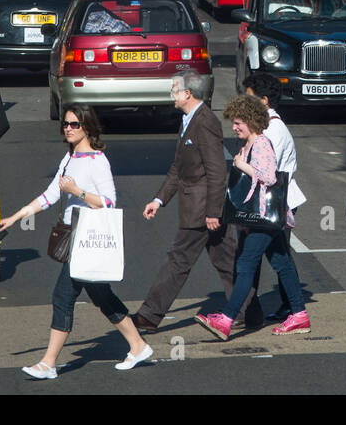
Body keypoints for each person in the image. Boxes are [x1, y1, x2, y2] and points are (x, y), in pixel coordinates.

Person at [0, 104, 152, 375]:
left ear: (88, 128)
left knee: (62, 296)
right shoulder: (68, 159)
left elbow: (108, 202)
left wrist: (77, 191)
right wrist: (15, 217)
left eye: (74, 125)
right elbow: (49, 196)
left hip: (86, 239)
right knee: (102, 296)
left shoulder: (97, 161)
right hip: (74, 239)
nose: (68, 129)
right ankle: (138, 345)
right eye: (66, 124)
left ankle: (48, 363)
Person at [131, 72, 254, 334]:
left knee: (178, 259)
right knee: (226, 259)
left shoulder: (205, 122)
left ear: (188, 94)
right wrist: (158, 199)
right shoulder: (189, 119)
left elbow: (217, 169)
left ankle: (149, 315)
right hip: (201, 206)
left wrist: (213, 211)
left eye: (174, 90)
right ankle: (248, 311)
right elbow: (178, 167)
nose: (171, 95)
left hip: (201, 209)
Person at [195, 95, 310, 339]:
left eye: (238, 123)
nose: (234, 127)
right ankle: (299, 315)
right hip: (258, 216)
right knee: (281, 263)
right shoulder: (249, 144)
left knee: (246, 264)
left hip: (263, 217)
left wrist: (242, 166)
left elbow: (268, 177)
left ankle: (226, 319)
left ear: (251, 121)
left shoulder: (261, 143)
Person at [243, 72, 307, 321]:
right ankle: (290, 305)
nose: (246, 103)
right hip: (270, 199)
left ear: (265, 100)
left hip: (277, 200)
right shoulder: (265, 127)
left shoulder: (274, 130)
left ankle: (290, 306)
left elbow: (266, 172)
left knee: (268, 256)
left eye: (250, 98)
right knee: (278, 255)